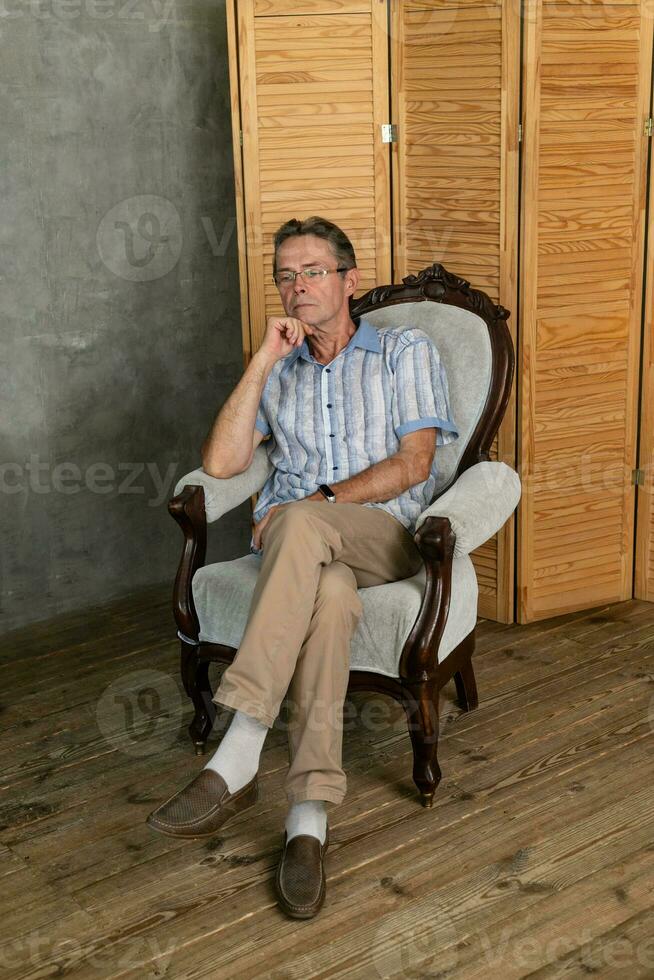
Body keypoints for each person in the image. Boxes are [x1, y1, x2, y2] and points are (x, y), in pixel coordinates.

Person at [146, 216, 459, 918]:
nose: (297, 286)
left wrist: (311, 502)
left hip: (385, 535)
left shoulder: (403, 351)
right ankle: (309, 819)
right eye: (285, 275)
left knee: (300, 521)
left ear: (349, 281)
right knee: (331, 599)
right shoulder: (281, 369)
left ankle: (239, 747)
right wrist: (262, 360)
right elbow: (223, 464)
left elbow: (415, 463)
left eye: (313, 271)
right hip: (307, 555)